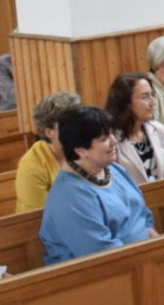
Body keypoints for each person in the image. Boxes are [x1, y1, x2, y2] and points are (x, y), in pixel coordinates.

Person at [39, 106, 157, 266]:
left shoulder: (115, 170)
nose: (114, 141)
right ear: (80, 150)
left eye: (111, 133)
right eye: (103, 139)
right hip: (97, 274)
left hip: (141, 260)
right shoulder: (70, 197)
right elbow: (102, 256)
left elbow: (143, 218)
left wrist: (159, 250)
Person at [105, 73, 164, 185]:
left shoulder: (158, 130)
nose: (153, 102)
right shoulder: (110, 138)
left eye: (152, 95)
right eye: (145, 97)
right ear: (126, 103)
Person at [15, 92, 81, 213]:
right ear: (49, 132)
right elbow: (36, 216)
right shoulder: (32, 165)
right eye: (69, 124)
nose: (78, 129)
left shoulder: (85, 149)